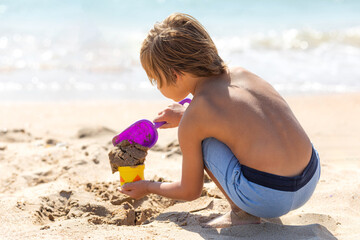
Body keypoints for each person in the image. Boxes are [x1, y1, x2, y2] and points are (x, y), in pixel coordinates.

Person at [118, 12, 321, 228]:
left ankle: (242, 213)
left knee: (204, 140)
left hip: (269, 199)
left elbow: (190, 191)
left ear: (175, 75)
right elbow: (245, 117)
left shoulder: (196, 116)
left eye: (156, 80)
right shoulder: (242, 73)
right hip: (310, 178)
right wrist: (187, 115)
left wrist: (148, 186)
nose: (158, 87)